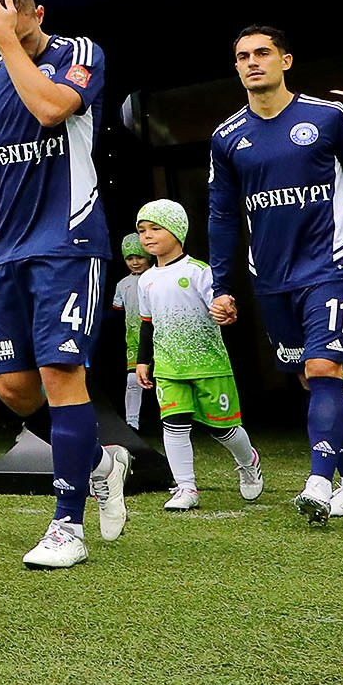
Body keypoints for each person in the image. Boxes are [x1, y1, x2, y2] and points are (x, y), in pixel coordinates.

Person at [205, 26, 343, 524]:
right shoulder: (226, 136)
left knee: (325, 369)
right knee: (310, 378)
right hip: (270, 277)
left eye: (263, 53)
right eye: (243, 56)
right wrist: (222, 284)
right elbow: (221, 214)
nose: (252, 62)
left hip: (330, 266)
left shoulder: (328, 117)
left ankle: (319, 482)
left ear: (285, 60)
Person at [0, 0, 126, 571]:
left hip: (67, 243)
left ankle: (67, 525)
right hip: (4, 253)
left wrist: (8, 44)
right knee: (14, 391)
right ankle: (99, 461)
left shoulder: (79, 52)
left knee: (60, 373)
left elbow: (52, 108)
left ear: (36, 14)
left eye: (7, 18)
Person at [128, 201, 265, 510]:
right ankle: (186, 488)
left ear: (178, 231)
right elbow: (147, 323)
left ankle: (248, 460)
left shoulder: (199, 272)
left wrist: (226, 311)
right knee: (174, 424)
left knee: (222, 428)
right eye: (142, 230)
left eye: (155, 228)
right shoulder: (146, 279)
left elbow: (222, 305)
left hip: (208, 365)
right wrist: (142, 361)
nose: (147, 236)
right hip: (168, 367)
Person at [114, 234, 153, 432]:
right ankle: (132, 423)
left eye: (139, 257)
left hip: (160, 338)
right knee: (133, 380)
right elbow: (117, 309)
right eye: (130, 258)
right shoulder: (122, 284)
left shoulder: (157, 277)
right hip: (134, 340)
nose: (135, 262)